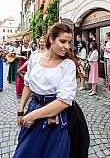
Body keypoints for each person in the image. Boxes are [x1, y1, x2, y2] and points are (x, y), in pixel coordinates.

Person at [13, 22, 89, 158]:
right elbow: (28, 85)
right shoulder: (35, 59)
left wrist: (32, 116)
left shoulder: (68, 65)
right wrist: (21, 111)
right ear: (51, 39)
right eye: (63, 41)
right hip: (33, 107)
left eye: (69, 42)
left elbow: (64, 101)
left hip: (57, 117)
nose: (67, 46)